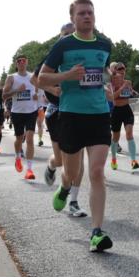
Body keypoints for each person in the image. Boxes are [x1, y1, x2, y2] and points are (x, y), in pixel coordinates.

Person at [38, 0, 113, 251]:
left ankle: (96, 232)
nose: (87, 16)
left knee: (96, 173)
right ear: (73, 18)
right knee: (71, 172)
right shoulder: (63, 46)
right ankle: (64, 186)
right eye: (81, 13)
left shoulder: (105, 44)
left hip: (100, 114)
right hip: (71, 115)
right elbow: (41, 79)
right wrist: (67, 76)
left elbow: (102, 73)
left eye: (90, 12)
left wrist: (107, 81)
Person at [38, 23, 88, 217]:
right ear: (60, 37)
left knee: (79, 160)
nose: (68, 37)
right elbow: (37, 79)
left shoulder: (82, 56)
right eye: (65, 35)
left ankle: (74, 201)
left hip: (77, 111)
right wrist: (53, 89)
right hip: (56, 111)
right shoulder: (53, 55)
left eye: (71, 34)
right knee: (61, 161)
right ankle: (51, 166)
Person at [3, 55, 39, 180]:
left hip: (31, 111)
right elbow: (4, 96)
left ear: (27, 62)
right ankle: (17, 156)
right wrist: (17, 90)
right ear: (16, 64)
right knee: (19, 139)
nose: (22, 62)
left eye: (24, 60)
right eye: (19, 61)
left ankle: (29, 169)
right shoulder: (11, 78)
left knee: (29, 139)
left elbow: (37, 91)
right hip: (17, 112)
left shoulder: (32, 76)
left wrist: (36, 96)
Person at [109, 62, 139, 171]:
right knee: (115, 138)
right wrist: (122, 88)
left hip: (127, 110)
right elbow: (112, 97)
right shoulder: (112, 83)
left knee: (129, 133)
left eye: (123, 73)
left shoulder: (128, 82)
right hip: (116, 111)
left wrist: (133, 92)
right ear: (116, 72)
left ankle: (133, 161)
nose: (122, 75)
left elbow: (130, 92)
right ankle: (113, 159)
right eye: (120, 72)